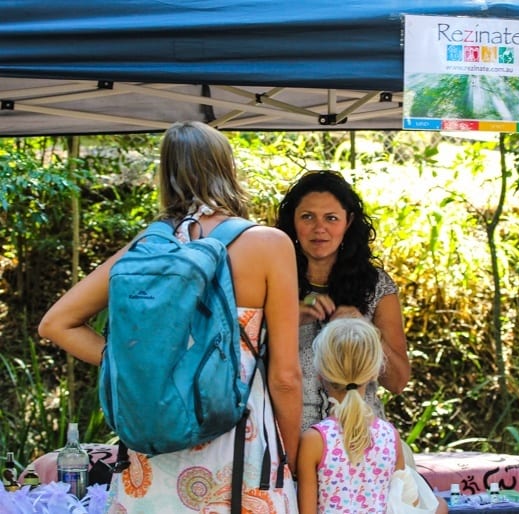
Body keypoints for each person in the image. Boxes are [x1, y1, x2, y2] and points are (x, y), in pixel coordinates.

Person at [38, 121, 303, 513]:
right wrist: (295, 458)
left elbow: (55, 323)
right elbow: (285, 377)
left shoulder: (147, 249)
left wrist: (139, 365)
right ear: (227, 169)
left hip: (152, 452)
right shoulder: (268, 245)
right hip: (238, 448)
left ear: (166, 175)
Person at [276, 170, 410, 432]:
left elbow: (398, 382)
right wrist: (290, 321)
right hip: (287, 439)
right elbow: (244, 362)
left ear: (348, 223)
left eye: (331, 218)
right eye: (307, 217)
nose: (319, 228)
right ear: (292, 222)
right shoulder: (273, 280)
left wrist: (367, 331)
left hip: (359, 443)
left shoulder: (376, 286)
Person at [297, 317, 405, 513]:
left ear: (321, 373)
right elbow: (402, 504)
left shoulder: (314, 441)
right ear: (373, 373)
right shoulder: (391, 437)